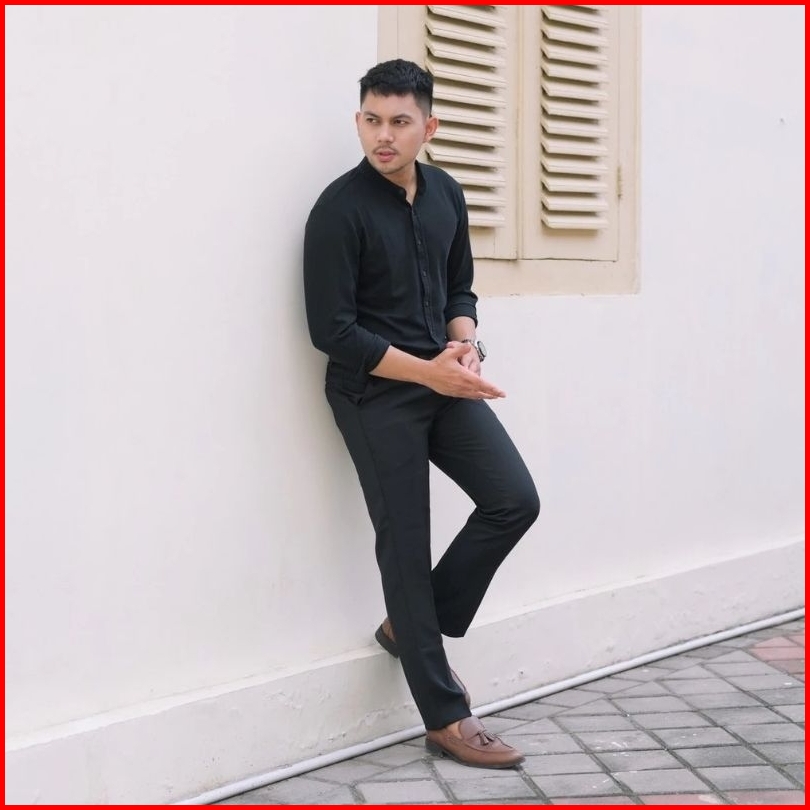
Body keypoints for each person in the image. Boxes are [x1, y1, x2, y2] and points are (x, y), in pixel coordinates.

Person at [303, 59, 539, 769]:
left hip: (442, 381)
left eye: (400, 122)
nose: (384, 135)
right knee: (405, 544)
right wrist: (429, 370)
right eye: (372, 120)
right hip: (372, 394)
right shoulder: (338, 211)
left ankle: (410, 624)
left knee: (513, 500)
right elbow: (332, 332)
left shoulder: (447, 195)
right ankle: (446, 717)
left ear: (428, 127)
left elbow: (460, 286)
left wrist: (465, 346)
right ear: (358, 121)